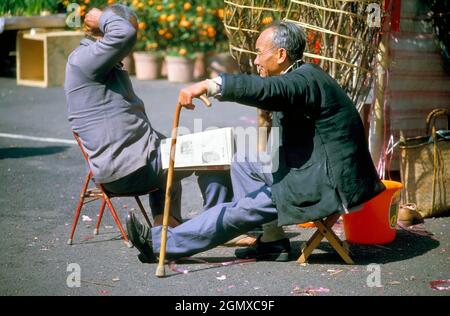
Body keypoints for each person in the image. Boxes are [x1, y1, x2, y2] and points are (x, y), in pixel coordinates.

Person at [126, 21, 386, 263]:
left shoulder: (302, 80)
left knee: (238, 210)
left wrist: (212, 85)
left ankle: (160, 245)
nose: (255, 59)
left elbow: (268, 91)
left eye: (260, 53)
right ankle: (271, 241)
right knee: (244, 161)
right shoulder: (305, 75)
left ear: (281, 55)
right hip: (317, 172)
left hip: (325, 186)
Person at [65, 5, 233, 228]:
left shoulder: (96, 62)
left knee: (172, 146)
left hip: (127, 165)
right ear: (105, 30)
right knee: (215, 150)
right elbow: (125, 33)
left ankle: (166, 224)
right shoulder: (87, 59)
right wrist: (103, 17)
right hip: (130, 169)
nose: (131, 46)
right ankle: (220, 226)